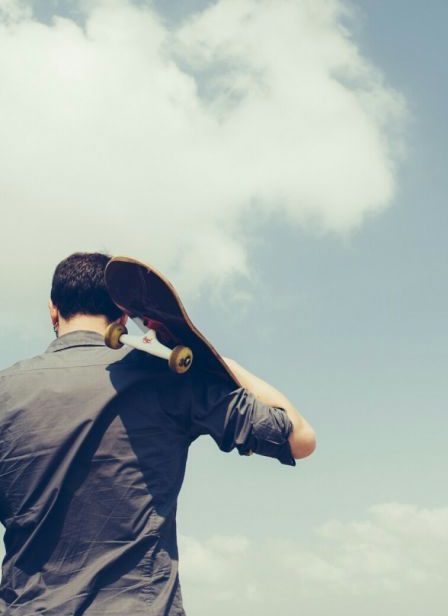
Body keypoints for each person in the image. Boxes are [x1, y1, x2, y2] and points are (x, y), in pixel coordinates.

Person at [0, 252, 316, 615]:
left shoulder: (5, 391)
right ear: (122, 316)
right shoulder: (168, 377)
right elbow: (299, 439)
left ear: (53, 310)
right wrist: (221, 364)